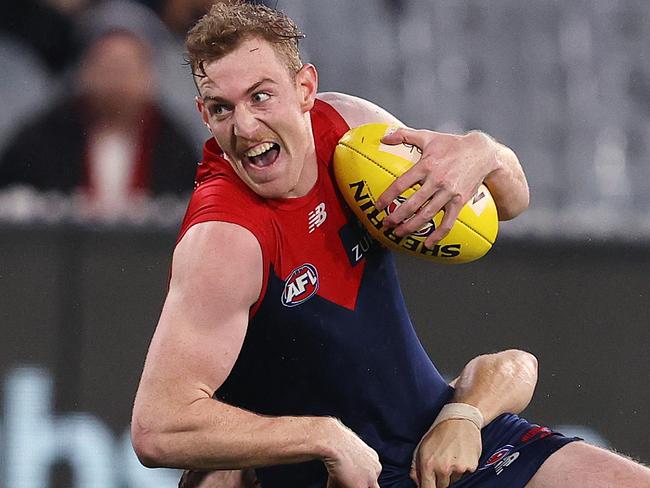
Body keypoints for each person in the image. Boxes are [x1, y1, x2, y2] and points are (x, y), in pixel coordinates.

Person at [131, 2, 650, 487]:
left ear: (305, 89)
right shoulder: (224, 238)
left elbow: (510, 202)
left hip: (438, 441)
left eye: (261, 96)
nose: (244, 126)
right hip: (335, 475)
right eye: (222, 109)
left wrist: (483, 152)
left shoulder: (351, 130)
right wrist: (323, 436)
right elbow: (157, 428)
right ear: (203, 115)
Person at [0, 28, 196, 218]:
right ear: (84, 72)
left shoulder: (173, 145)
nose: (116, 82)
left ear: (149, 76)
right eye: (107, 68)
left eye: (126, 70)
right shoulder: (42, 138)